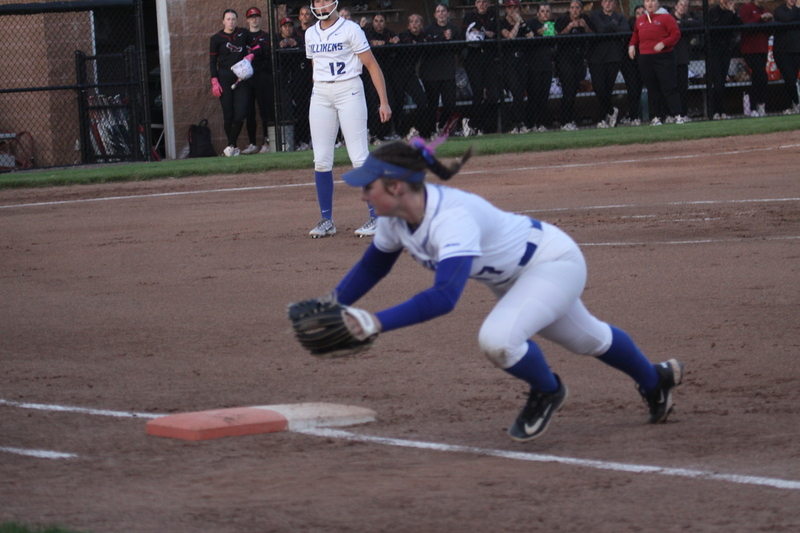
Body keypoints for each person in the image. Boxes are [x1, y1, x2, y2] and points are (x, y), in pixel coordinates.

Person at [327, 137, 685, 442]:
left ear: (395, 186)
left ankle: (548, 391)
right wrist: (330, 304)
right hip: (511, 279)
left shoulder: (451, 218)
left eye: (368, 187)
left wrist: (376, 322)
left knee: (499, 340)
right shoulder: (394, 220)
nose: (363, 196)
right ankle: (656, 381)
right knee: (587, 339)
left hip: (551, 263)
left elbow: (444, 297)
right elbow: (374, 266)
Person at [305, 0, 392, 238]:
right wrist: (320, 90)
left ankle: (377, 218)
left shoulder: (351, 29)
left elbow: (372, 65)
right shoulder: (310, 33)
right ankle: (326, 220)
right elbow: (315, 65)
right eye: (317, 1)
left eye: (325, 0)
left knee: (359, 156)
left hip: (349, 89)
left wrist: (383, 101)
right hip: (321, 92)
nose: (321, 5)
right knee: (321, 159)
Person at [628, 0, 684, 125]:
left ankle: (677, 115)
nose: (650, 4)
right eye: (647, 1)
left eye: (652, 1)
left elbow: (676, 34)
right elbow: (636, 35)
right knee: (652, 88)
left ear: (657, 2)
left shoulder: (666, 17)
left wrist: (664, 43)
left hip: (664, 56)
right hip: (645, 57)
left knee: (669, 87)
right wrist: (632, 45)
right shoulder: (640, 19)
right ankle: (657, 116)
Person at [209, 9, 252, 157]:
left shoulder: (243, 33)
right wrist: (214, 80)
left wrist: (251, 56)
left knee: (241, 113)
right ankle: (232, 147)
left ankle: (230, 145)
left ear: (236, 20)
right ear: (223, 21)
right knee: (228, 114)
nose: (231, 22)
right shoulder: (216, 38)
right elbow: (212, 61)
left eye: (233, 19)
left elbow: (256, 47)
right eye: (228, 19)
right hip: (224, 76)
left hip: (241, 76)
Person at [420, 4, 462, 139]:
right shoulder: (428, 30)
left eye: (443, 11)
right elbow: (427, 49)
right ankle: (431, 131)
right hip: (430, 74)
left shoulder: (454, 29)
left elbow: (458, 49)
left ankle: (441, 125)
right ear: (435, 15)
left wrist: (451, 39)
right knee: (432, 104)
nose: (441, 14)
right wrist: (442, 38)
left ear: (448, 14)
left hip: (448, 73)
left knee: (450, 104)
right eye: (438, 11)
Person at [588, 0, 628, 129]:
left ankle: (602, 119)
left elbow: (625, 31)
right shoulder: (595, 15)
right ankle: (611, 111)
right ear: (602, 3)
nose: (608, 4)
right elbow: (601, 29)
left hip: (613, 57)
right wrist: (614, 27)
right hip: (596, 58)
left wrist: (610, 27)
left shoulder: (620, 17)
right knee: (599, 88)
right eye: (606, 1)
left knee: (608, 89)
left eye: (611, 1)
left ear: (615, 4)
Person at [462, 0, 499, 136]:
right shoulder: (469, 16)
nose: (482, 4)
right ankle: (473, 124)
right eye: (479, 1)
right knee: (477, 93)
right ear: (475, 4)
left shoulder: (493, 15)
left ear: (488, 3)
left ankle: (485, 126)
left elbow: (495, 33)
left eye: (484, 2)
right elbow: (466, 34)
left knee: (494, 95)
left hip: (489, 58)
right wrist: (483, 33)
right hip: (474, 58)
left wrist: (482, 31)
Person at [555, 0, 592, 130]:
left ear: (581, 9)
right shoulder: (562, 20)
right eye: (572, 7)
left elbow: (593, 34)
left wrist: (585, 26)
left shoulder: (585, 19)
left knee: (574, 90)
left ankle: (569, 120)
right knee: (568, 90)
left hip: (579, 59)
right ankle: (565, 121)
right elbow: (557, 36)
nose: (575, 10)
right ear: (569, 9)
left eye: (577, 8)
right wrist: (569, 27)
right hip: (565, 59)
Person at [365, 13, 401, 143]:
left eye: (381, 21)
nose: (379, 23)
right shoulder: (368, 33)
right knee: (372, 103)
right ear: (372, 22)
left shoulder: (390, 33)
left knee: (390, 101)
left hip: (387, 73)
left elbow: (395, 43)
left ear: (385, 23)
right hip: (370, 74)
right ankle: (374, 133)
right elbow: (373, 44)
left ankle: (387, 132)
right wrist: (385, 43)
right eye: (376, 21)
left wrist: (385, 43)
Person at [500, 0, 533, 133]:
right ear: (506, 10)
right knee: (516, 91)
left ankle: (520, 123)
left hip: (521, 61)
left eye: (515, 8)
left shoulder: (522, 22)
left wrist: (522, 22)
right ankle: (514, 123)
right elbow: (510, 36)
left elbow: (531, 36)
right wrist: (518, 23)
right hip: (509, 61)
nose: (513, 11)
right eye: (510, 8)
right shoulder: (502, 23)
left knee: (521, 92)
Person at [244, 7, 274, 154]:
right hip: (247, 77)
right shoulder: (243, 36)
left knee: (265, 110)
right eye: (251, 17)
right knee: (249, 112)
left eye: (256, 17)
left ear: (260, 19)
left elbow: (268, 54)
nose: (254, 19)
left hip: (263, 76)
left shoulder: (266, 36)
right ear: (247, 20)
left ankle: (266, 142)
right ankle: (252, 143)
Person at [707, 0, 742, 120]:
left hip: (726, 50)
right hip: (714, 51)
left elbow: (739, 25)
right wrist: (730, 13)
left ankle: (722, 111)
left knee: (722, 81)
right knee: (717, 82)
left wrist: (733, 12)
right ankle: (715, 111)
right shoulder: (713, 12)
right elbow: (721, 25)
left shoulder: (731, 13)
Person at [397, 14, 430, 139]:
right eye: (412, 21)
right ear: (408, 25)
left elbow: (427, 43)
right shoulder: (404, 35)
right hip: (397, 73)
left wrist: (419, 43)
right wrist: (419, 43)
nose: (414, 24)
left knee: (422, 100)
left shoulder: (423, 36)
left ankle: (417, 129)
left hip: (410, 73)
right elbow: (411, 47)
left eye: (417, 21)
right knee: (398, 103)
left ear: (421, 24)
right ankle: (399, 133)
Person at [739, 0, 774, 117]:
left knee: (758, 77)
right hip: (750, 49)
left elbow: (769, 31)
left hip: (762, 49)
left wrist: (768, 20)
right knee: (761, 74)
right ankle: (755, 106)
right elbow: (745, 24)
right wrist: (760, 18)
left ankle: (759, 105)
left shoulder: (764, 10)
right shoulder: (747, 7)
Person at [525, 3, 556, 132]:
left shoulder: (551, 25)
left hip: (547, 65)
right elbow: (527, 38)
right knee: (533, 96)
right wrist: (537, 34)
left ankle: (542, 123)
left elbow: (552, 42)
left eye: (547, 11)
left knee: (544, 96)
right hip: (533, 66)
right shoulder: (531, 23)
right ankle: (531, 124)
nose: (545, 13)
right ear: (538, 13)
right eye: (542, 11)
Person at [671, 0, 703, 119]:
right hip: (670, 58)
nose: (683, 7)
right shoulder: (670, 18)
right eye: (680, 4)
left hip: (683, 58)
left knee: (683, 88)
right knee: (671, 88)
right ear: (676, 6)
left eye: (685, 5)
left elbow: (698, 25)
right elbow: (672, 26)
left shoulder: (689, 18)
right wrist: (684, 24)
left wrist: (682, 22)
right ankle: (671, 114)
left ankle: (683, 114)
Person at [619, 5, 644, 125]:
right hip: (629, 61)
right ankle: (634, 116)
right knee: (633, 88)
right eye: (638, 13)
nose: (640, 15)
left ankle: (633, 115)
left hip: (642, 61)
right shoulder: (630, 24)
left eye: (643, 13)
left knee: (638, 89)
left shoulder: (650, 24)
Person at [774, 0, 800, 114]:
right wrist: (796, 9)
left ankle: (790, 106)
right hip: (782, 51)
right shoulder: (780, 10)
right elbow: (786, 18)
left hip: (796, 50)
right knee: (789, 77)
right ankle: (796, 103)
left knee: (792, 79)